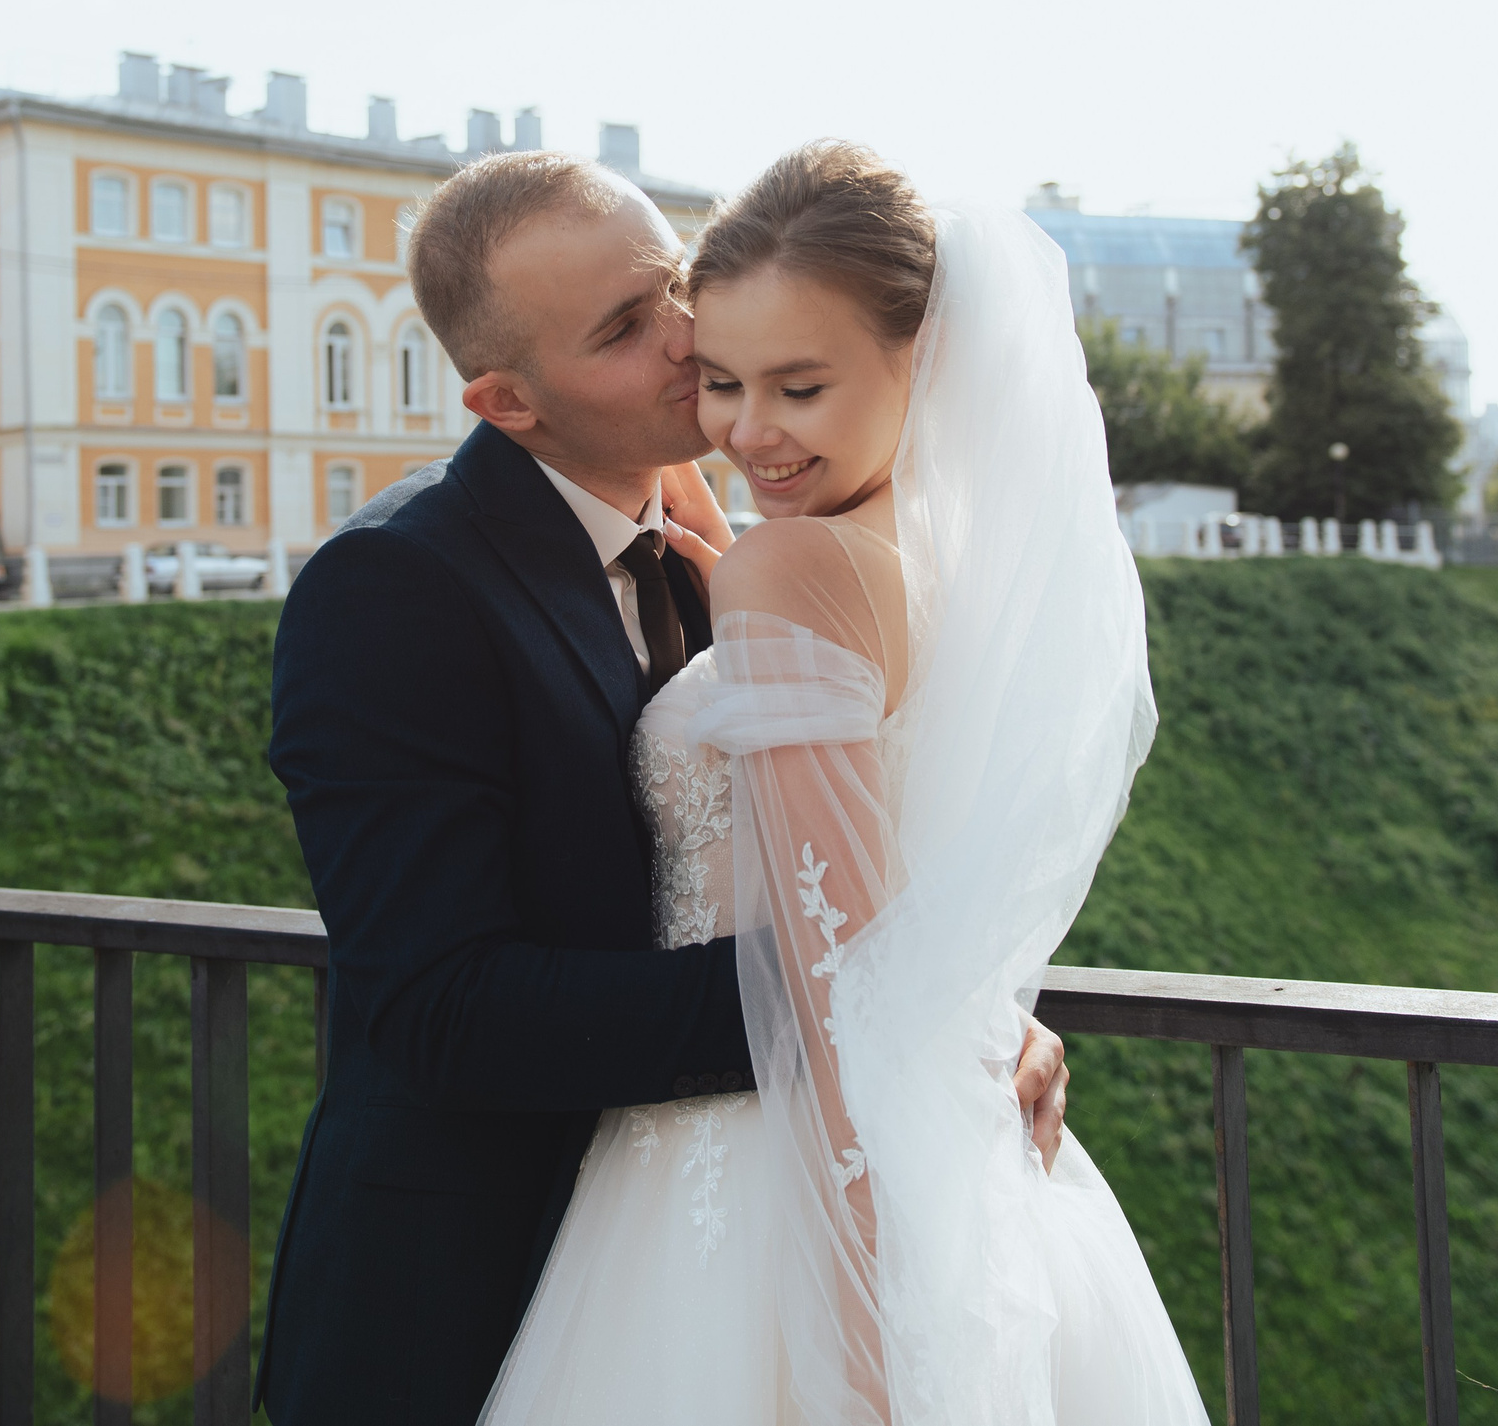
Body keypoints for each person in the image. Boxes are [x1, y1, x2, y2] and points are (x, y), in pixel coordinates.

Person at [258, 151, 1071, 1424]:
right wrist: (886, 1014)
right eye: (626, 327)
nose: (689, 337)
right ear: (506, 401)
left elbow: (813, 844)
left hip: (719, 1251)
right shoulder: (389, 588)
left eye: (672, 285)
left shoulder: (712, 530)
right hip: (472, 1286)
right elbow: (441, 1006)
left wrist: (954, 1012)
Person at [480, 143, 1206, 1423]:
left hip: (768, 1176)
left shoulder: (789, 569)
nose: (748, 430)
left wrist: (873, 1328)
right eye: (721, 382)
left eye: (800, 387)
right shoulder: (938, 558)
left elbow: (836, 991)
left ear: (925, 358)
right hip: (943, 1144)